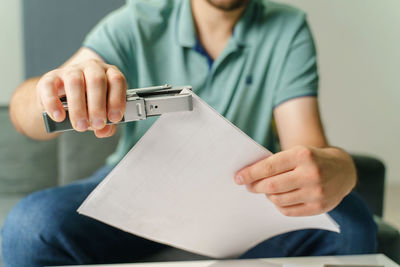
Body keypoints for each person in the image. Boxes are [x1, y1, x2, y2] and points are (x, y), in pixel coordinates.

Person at [1, 0, 377, 266]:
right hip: (134, 193)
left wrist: (339, 166)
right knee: (30, 225)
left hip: (244, 201)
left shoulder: (287, 26)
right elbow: (23, 114)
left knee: (351, 220)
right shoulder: (137, 20)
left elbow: (306, 146)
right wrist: (53, 92)